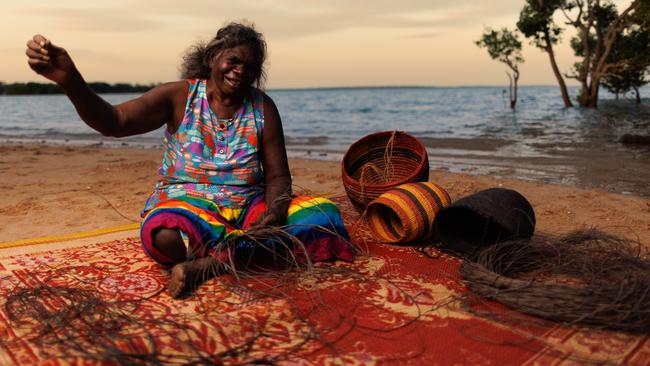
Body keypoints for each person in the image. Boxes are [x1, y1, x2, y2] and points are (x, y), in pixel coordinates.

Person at [26, 22, 354, 298]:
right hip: (188, 208)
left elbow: (279, 177)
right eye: (234, 61)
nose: (241, 72)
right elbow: (115, 122)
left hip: (248, 210)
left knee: (323, 215)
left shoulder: (262, 108)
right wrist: (71, 81)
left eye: (250, 68)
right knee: (164, 235)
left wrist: (274, 213)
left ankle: (215, 264)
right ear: (212, 57)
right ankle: (244, 252)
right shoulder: (180, 96)